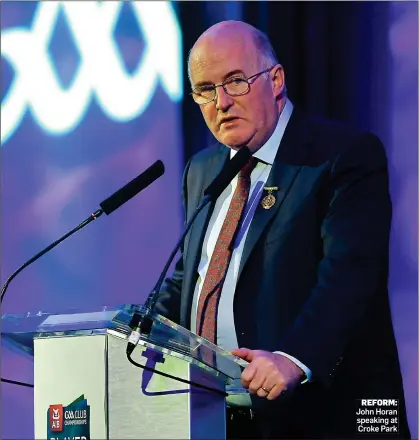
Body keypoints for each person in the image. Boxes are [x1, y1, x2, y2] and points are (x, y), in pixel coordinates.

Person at [156, 20, 411, 439]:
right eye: (205, 89)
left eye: (235, 82)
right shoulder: (202, 170)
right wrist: (130, 333)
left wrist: (294, 358)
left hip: (325, 418)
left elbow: (349, 277)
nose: (220, 102)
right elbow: (194, 277)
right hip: (219, 419)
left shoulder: (341, 156)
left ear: (275, 80)